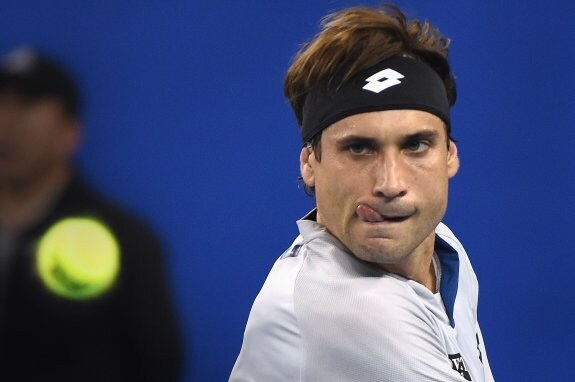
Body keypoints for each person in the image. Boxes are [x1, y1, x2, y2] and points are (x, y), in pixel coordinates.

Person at [230, 4, 494, 381]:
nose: (390, 184)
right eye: (359, 148)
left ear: (450, 155)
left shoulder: (445, 253)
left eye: (416, 145)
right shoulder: (347, 311)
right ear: (310, 164)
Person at [0, 47, 182, 381]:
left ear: (70, 133)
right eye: (1, 105)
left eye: (27, 106)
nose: (6, 122)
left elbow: (157, 364)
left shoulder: (126, 240)